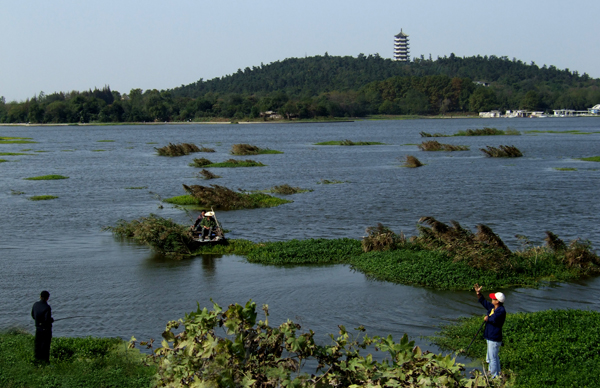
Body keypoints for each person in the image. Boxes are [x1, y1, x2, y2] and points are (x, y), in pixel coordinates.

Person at [474, 283, 506, 379]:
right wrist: (478, 293)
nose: (492, 299)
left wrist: (488, 318)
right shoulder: (493, 307)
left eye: (494, 298)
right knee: (493, 357)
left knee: (493, 358)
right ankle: (497, 373)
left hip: (494, 338)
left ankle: (492, 376)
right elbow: (484, 302)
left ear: (498, 301)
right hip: (489, 336)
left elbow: (494, 319)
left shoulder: (501, 311)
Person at [31, 290, 54, 363]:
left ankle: (37, 360)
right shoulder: (47, 307)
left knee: (37, 345)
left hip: (38, 328)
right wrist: (51, 320)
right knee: (45, 346)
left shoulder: (35, 304)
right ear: (47, 298)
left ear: (40, 297)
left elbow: (33, 315)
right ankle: (45, 361)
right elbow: (47, 319)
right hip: (45, 330)